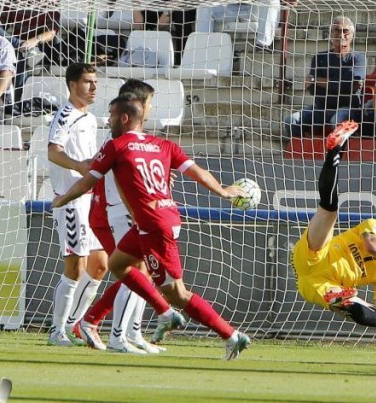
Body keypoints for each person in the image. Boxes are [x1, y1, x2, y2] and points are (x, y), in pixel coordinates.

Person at [51, 93, 252, 360]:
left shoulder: (117, 146)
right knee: (118, 265)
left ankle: (229, 335)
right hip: (160, 219)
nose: (108, 120)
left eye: (112, 116)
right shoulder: (164, 145)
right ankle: (155, 314)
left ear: (124, 118)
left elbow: (88, 181)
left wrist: (63, 198)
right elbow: (198, 172)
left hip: (154, 227)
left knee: (177, 293)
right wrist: (223, 191)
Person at [291, 120, 376, 341]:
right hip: (315, 255)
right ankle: (335, 150)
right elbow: (372, 246)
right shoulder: (374, 227)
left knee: (375, 317)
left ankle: (343, 300)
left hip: (320, 286)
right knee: (329, 209)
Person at [78, 79, 167, 355]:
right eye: (149, 102)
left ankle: (131, 332)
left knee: (143, 273)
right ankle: (113, 333)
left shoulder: (129, 137)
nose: (151, 108)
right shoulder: (121, 139)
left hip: (119, 213)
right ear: (139, 104)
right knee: (134, 273)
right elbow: (117, 179)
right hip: (113, 213)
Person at [46, 63, 107, 347]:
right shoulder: (65, 115)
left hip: (91, 200)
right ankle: (56, 331)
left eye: (95, 82)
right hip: (70, 199)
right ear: (72, 85)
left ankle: (77, 325)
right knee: (75, 266)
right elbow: (53, 151)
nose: (93, 87)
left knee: (100, 265)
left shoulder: (90, 118)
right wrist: (79, 167)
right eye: (87, 82)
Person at [284, 16, 365, 140]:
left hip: (347, 108)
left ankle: (336, 155)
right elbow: (313, 90)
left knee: (337, 121)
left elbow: (348, 85)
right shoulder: (319, 58)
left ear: (352, 35)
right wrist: (339, 84)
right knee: (291, 120)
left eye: (345, 31)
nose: (341, 35)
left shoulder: (358, 58)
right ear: (331, 34)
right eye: (337, 30)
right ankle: (309, 150)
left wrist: (316, 80)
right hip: (321, 108)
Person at [195, 0, 280, 52]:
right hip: (231, 8)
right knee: (204, 7)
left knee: (272, 1)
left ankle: (262, 46)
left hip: (255, 9)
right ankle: (202, 50)